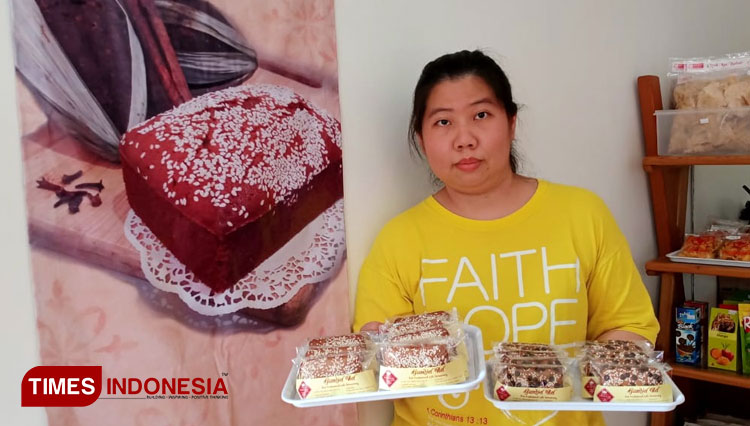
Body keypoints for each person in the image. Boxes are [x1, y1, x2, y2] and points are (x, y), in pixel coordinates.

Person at [352, 50, 659, 426]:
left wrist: (611, 368)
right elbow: (375, 351)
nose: (464, 139)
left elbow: (630, 324)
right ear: (421, 137)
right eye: (443, 122)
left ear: (512, 122)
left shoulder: (583, 214)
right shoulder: (399, 238)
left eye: (481, 115)